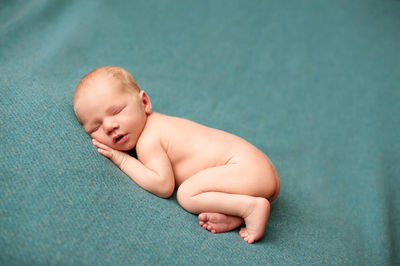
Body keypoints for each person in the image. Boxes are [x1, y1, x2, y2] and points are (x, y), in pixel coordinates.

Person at [73, 66, 280, 244]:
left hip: (243, 167)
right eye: (96, 127)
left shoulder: (149, 139)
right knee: (197, 190)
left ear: (144, 102)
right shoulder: (161, 124)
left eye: (117, 111)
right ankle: (238, 214)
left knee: (187, 194)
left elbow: (163, 186)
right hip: (255, 169)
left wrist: (121, 159)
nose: (109, 126)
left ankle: (251, 207)